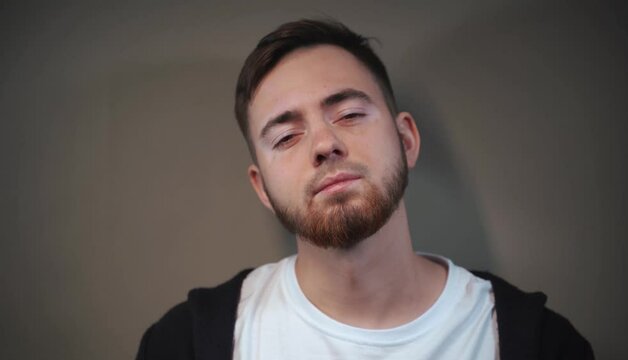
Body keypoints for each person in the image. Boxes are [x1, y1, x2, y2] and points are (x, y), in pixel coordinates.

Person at [136, 19, 593, 360]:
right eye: (285, 137)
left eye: (350, 114)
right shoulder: (188, 343)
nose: (324, 144)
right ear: (262, 189)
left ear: (407, 140)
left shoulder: (538, 343)